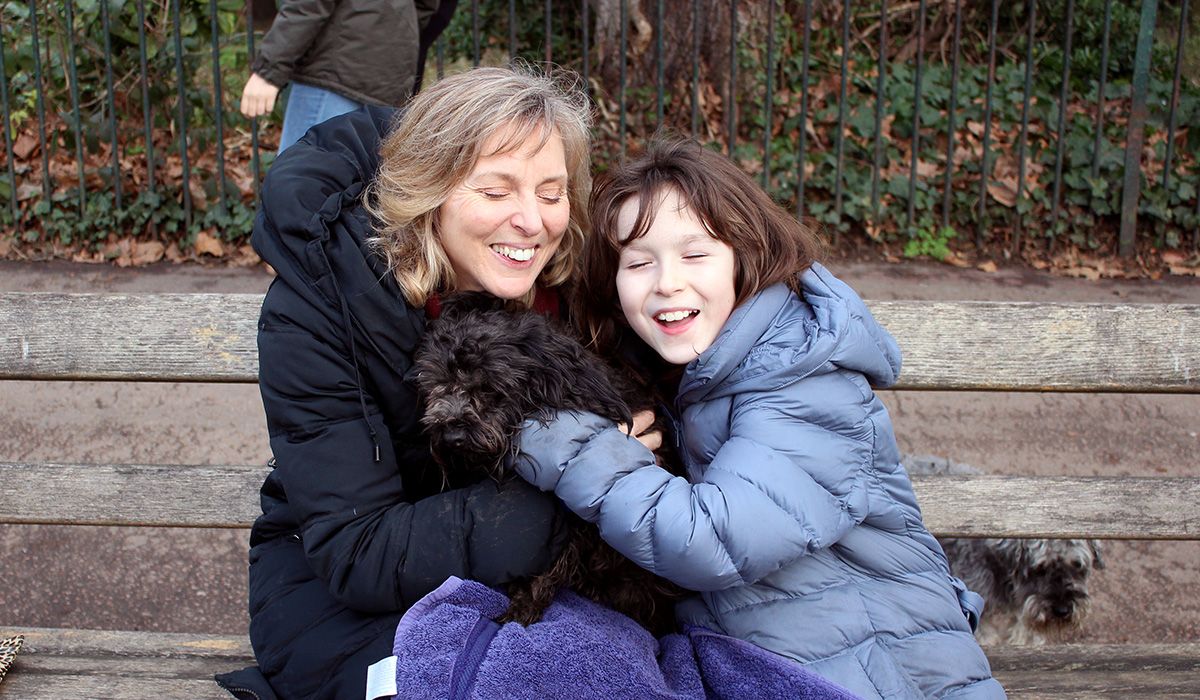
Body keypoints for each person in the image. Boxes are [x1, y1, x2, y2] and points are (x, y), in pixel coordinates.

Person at [512, 137, 1007, 699]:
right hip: (768, 661)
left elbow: (710, 541)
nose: (666, 282)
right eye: (639, 262)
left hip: (885, 675)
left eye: (695, 254)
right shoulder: (686, 373)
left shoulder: (805, 377)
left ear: (744, 257)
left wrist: (563, 441)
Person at [215, 65, 594, 699]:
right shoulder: (324, 307)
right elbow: (357, 549)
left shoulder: (573, 283)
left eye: (552, 194)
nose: (533, 221)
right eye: (495, 191)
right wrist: (587, 496)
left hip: (538, 584)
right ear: (428, 191)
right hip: (350, 608)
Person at [239, 0, 451, 153]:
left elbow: (308, 5)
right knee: (352, 191)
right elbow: (427, 7)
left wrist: (268, 71)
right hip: (386, 72)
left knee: (295, 189)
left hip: (332, 71)